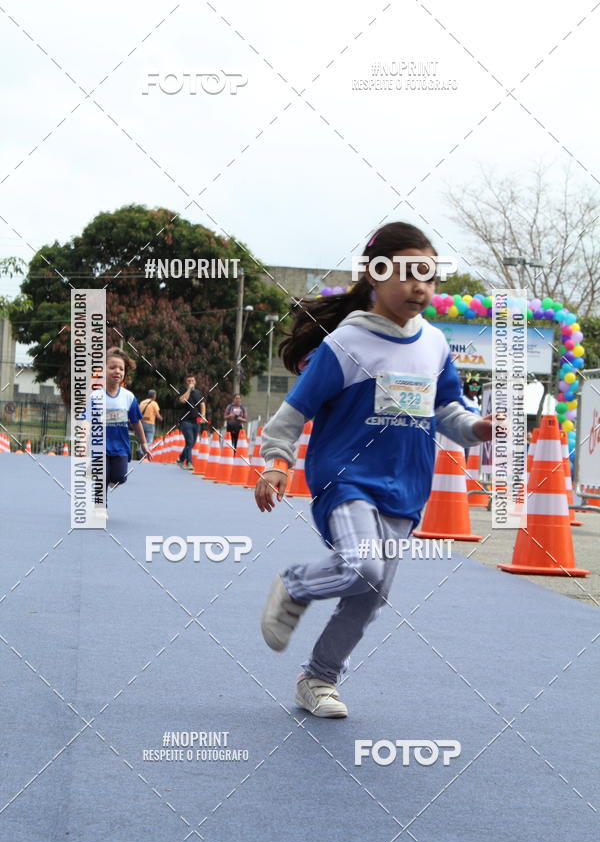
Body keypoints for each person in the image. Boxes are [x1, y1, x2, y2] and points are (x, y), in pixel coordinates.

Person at [255, 221, 494, 719]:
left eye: (428, 275)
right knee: (362, 565)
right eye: (407, 273)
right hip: (347, 479)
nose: (419, 286)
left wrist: (478, 428)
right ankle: (297, 584)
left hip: (405, 489)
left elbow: (448, 411)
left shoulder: (434, 344)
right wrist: (277, 462)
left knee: (371, 592)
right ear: (374, 275)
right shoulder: (347, 343)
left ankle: (318, 679)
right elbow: (293, 413)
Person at [102, 347, 152, 518]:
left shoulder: (129, 397)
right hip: (99, 445)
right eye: (113, 367)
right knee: (102, 475)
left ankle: (107, 480)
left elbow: (136, 422)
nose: (117, 371)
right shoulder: (95, 395)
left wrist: (144, 444)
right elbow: (86, 420)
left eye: (121, 368)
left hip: (121, 446)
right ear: (104, 369)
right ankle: (101, 507)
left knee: (120, 477)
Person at [177, 373, 206, 470]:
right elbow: (182, 400)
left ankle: (181, 459)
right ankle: (189, 462)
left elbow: (202, 404)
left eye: (192, 381)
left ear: (195, 382)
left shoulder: (198, 393)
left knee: (192, 443)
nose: (191, 382)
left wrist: (203, 415)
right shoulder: (182, 391)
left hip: (196, 420)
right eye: (189, 381)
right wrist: (189, 389)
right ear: (186, 383)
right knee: (189, 441)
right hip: (185, 421)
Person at [137, 389, 162, 457]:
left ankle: (142, 453)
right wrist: (161, 418)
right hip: (150, 424)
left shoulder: (142, 402)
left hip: (141, 424)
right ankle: (140, 450)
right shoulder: (154, 403)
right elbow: (157, 414)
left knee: (142, 440)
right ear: (154, 396)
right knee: (149, 441)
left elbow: (138, 413)